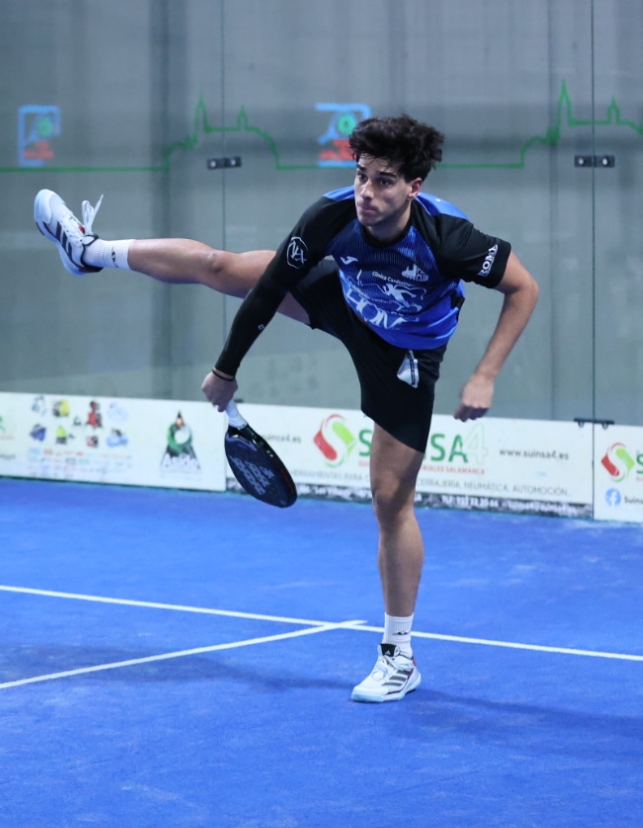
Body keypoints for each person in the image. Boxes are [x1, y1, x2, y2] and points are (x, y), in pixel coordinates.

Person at [34, 114, 538, 703]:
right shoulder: (331, 217)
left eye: (384, 181)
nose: (366, 193)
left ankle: (399, 656)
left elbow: (523, 288)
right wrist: (226, 370)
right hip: (346, 298)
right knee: (223, 267)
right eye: (361, 176)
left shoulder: (449, 238)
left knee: (389, 499)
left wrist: (485, 373)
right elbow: (270, 290)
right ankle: (90, 251)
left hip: (405, 352)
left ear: (414, 186)